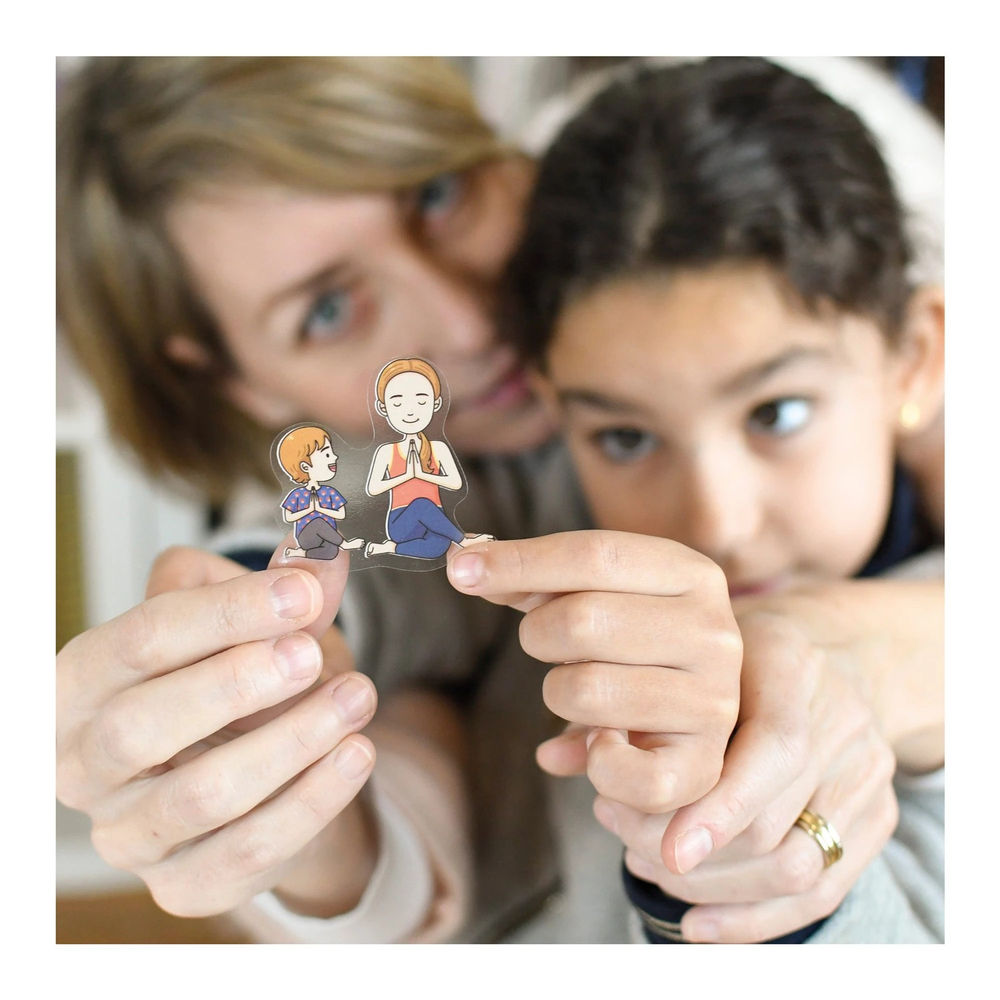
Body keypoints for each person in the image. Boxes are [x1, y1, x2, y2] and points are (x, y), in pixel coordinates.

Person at [56, 57, 942, 942]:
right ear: (240, 387)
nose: (474, 325)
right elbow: (393, 548)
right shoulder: (444, 485)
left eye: (437, 195)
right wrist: (242, 639)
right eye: (328, 311)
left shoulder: (693, 181)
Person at [448, 56, 943, 942]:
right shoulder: (528, 542)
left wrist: (760, 902)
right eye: (625, 438)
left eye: (777, 413)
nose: (716, 523)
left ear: (916, 360)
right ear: (554, 408)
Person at [364, 357, 492, 560]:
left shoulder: (437, 448)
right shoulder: (387, 452)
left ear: (436, 403)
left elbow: (455, 482)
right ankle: (462, 540)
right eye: (397, 403)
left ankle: (389, 548)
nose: (410, 411)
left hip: (436, 519)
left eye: (421, 401)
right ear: (383, 408)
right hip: (401, 521)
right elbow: (373, 488)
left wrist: (422, 474)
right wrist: (407, 475)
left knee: (438, 547)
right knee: (421, 505)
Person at [276, 425, 365, 560]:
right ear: (305, 466)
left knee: (331, 553)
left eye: (332, 452)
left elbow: (341, 514)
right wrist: (309, 510)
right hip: (307, 537)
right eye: (327, 454)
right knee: (317, 522)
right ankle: (344, 544)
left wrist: (320, 509)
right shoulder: (297, 494)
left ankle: (297, 553)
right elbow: (289, 517)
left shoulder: (330, 492)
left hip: (329, 536)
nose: (335, 457)